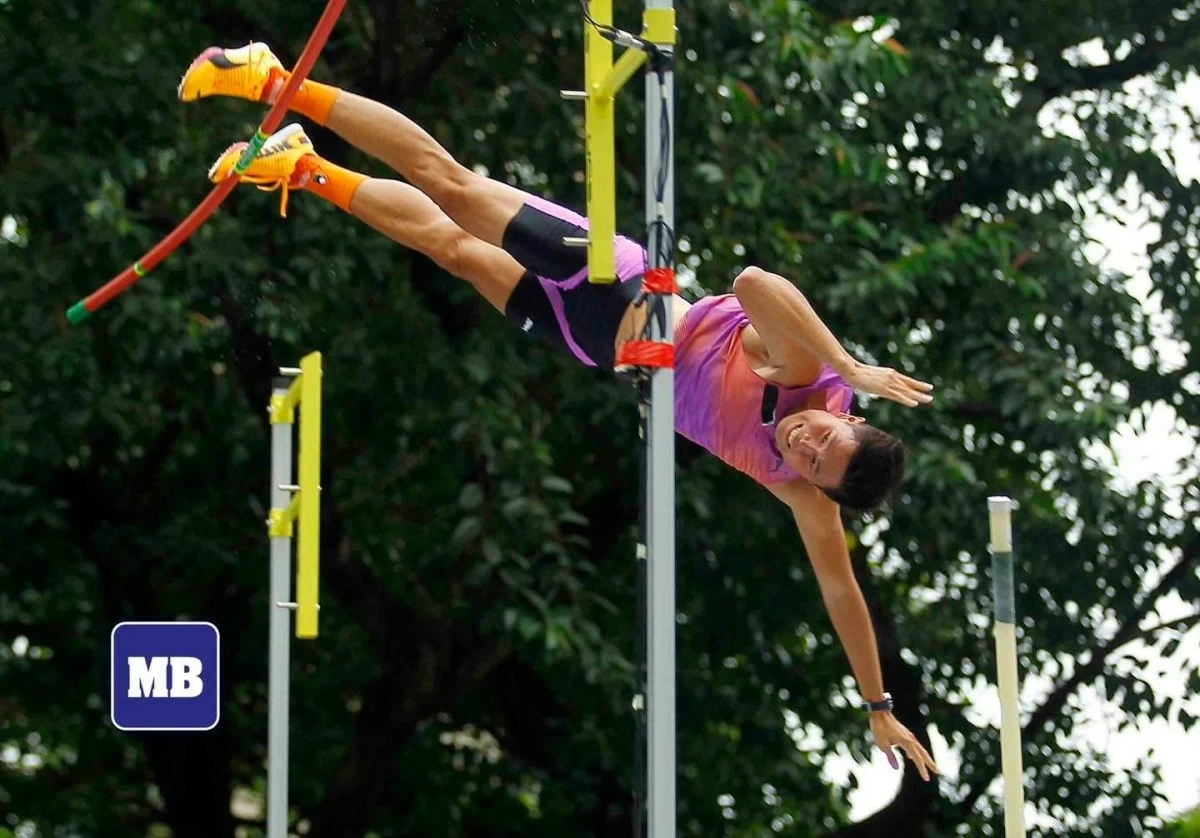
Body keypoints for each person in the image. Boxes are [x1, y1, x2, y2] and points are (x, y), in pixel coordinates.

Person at [179, 43, 940, 781]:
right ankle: (273, 77)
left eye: (813, 463)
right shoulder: (806, 372)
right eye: (824, 437)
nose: (804, 444)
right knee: (452, 186)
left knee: (452, 249)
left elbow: (841, 592)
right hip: (618, 282)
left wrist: (877, 704)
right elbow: (751, 282)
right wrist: (845, 362)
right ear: (851, 416)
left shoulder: (798, 487)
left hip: (593, 343)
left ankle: (302, 165)